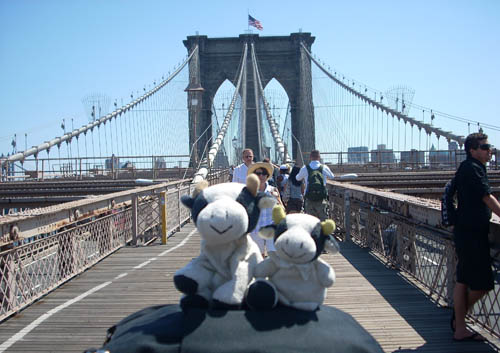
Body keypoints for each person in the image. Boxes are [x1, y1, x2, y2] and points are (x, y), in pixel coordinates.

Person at [451, 132, 500, 342]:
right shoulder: (472, 168)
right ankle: (458, 320)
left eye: (490, 147)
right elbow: (487, 197)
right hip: (472, 234)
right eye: (485, 147)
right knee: (483, 284)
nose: (490, 150)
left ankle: (459, 325)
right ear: (473, 150)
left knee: (463, 280)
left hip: (466, 232)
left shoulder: (468, 167)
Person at [247, 162, 282, 257]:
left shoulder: (273, 190)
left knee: (274, 255)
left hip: (271, 227)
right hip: (256, 228)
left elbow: (281, 207)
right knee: (258, 256)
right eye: (258, 173)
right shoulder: (249, 192)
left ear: (267, 176)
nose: (261, 176)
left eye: (264, 174)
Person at [295, 150, 334, 221]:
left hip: (309, 198)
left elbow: (297, 178)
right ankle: (323, 232)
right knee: (323, 220)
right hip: (321, 198)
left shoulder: (305, 168)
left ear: (310, 157)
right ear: (319, 157)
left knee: (310, 220)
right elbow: (332, 176)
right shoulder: (324, 167)